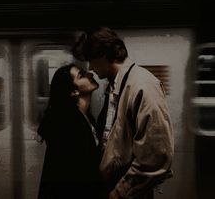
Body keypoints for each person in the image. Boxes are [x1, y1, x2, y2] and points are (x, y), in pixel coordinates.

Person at [72, 27, 174, 199]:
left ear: (103, 55)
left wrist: (119, 193)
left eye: (91, 60)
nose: (90, 67)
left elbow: (155, 156)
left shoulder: (142, 85)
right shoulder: (115, 85)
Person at [37, 63, 101, 199]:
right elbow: (74, 177)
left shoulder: (85, 118)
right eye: (81, 75)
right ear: (74, 92)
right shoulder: (69, 125)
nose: (90, 74)